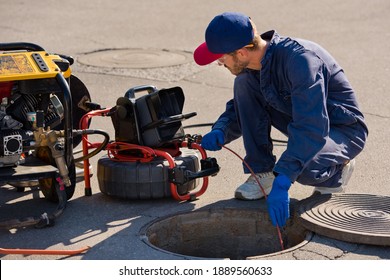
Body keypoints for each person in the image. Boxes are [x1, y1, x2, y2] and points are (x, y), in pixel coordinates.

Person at [193, 12, 368, 227]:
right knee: (244, 83)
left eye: (221, 57)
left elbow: (311, 127)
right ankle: (262, 173)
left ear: (241, 52)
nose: (219, 63)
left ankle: (337, 170)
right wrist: (222, 129)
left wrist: (284, 178)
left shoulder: (301, 61)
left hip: (342, 129)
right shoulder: (255, 64)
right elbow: (244, 107)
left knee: (302, 168)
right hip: (302, 118)